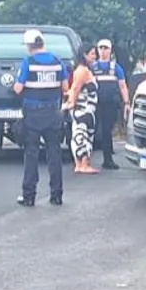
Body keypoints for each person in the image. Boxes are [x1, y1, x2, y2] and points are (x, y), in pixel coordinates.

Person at [13, 29, 69, 206]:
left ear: (30, 46)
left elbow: (18, 89)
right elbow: (65, 88)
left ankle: (29, 196)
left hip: (33, 114)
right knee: (54, 153)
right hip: (53, 113)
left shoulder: (28, 62)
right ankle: (56, 194)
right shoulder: (57, 61)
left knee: (31, 154)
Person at [91, 38, 130, 170]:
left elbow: (122, 86)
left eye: (105, 48)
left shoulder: (115, 67)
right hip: (96, 103)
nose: (103, 51)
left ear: (110, 50)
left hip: (111, 104)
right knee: (93, 129)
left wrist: (126, 102)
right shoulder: (93, 67)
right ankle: (84, 159)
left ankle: (107, 158)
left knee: (107, 130)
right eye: (100, 48)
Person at [62, 46, 100, 174]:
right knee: (82, 134)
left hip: (86, 109)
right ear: (85, 55)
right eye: (92, 54)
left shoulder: (82, 70)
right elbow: (76, 88)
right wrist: (71, 103)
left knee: (81, 133)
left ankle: (80, 164)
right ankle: (82, 164)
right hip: (83, 108)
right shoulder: (82, 71)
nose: (95, 56)